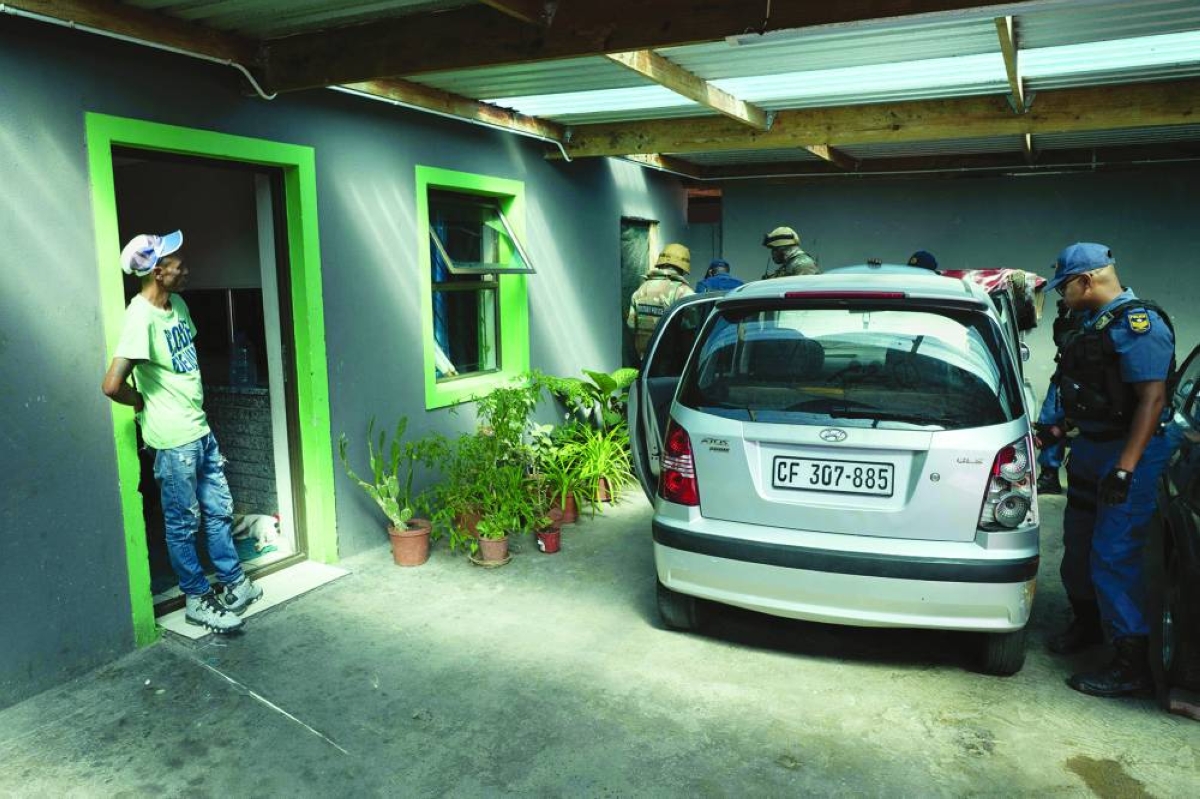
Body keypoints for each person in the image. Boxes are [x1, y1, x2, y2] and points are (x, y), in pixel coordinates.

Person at [102, 230, 262, 634]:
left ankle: (233, 583)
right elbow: (111, 384)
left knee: (219, 509)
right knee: (182, 523)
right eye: (178, 265)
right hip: (173, 442)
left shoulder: (179, 306)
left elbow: (185, 362)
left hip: (200, 430)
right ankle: (197, 599)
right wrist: (140, 403)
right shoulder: (139, 318)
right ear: (158, 272)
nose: (186, 268)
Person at [1038, 242, 1176, 697]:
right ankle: (1089, 624)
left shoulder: (1140, 325)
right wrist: (1056, 429)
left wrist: (1125, 468)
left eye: (1065, 287)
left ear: (1087, 280)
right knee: (1077, 544)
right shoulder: (1088, 324)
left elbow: (1152, 401)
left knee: (1114, 552)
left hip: (1128, 451)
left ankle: (1131, 661)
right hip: (1091, 447)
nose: (1063, 296)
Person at [1036, 300, 1086, 495]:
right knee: (1048, 423)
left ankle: (1079, 475)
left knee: (1059, 426)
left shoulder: (1096, 312)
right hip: (1064, 375)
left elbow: (1070, 343)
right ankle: (1049, 475)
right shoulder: (1073, 311)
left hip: (1084, 379)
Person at [626, 243, 694, 361]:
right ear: (683, 267)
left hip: (645, 363)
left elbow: (631, 326)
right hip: (673, 368)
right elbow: (692, 332)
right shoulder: (684, 293)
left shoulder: (640, 291)